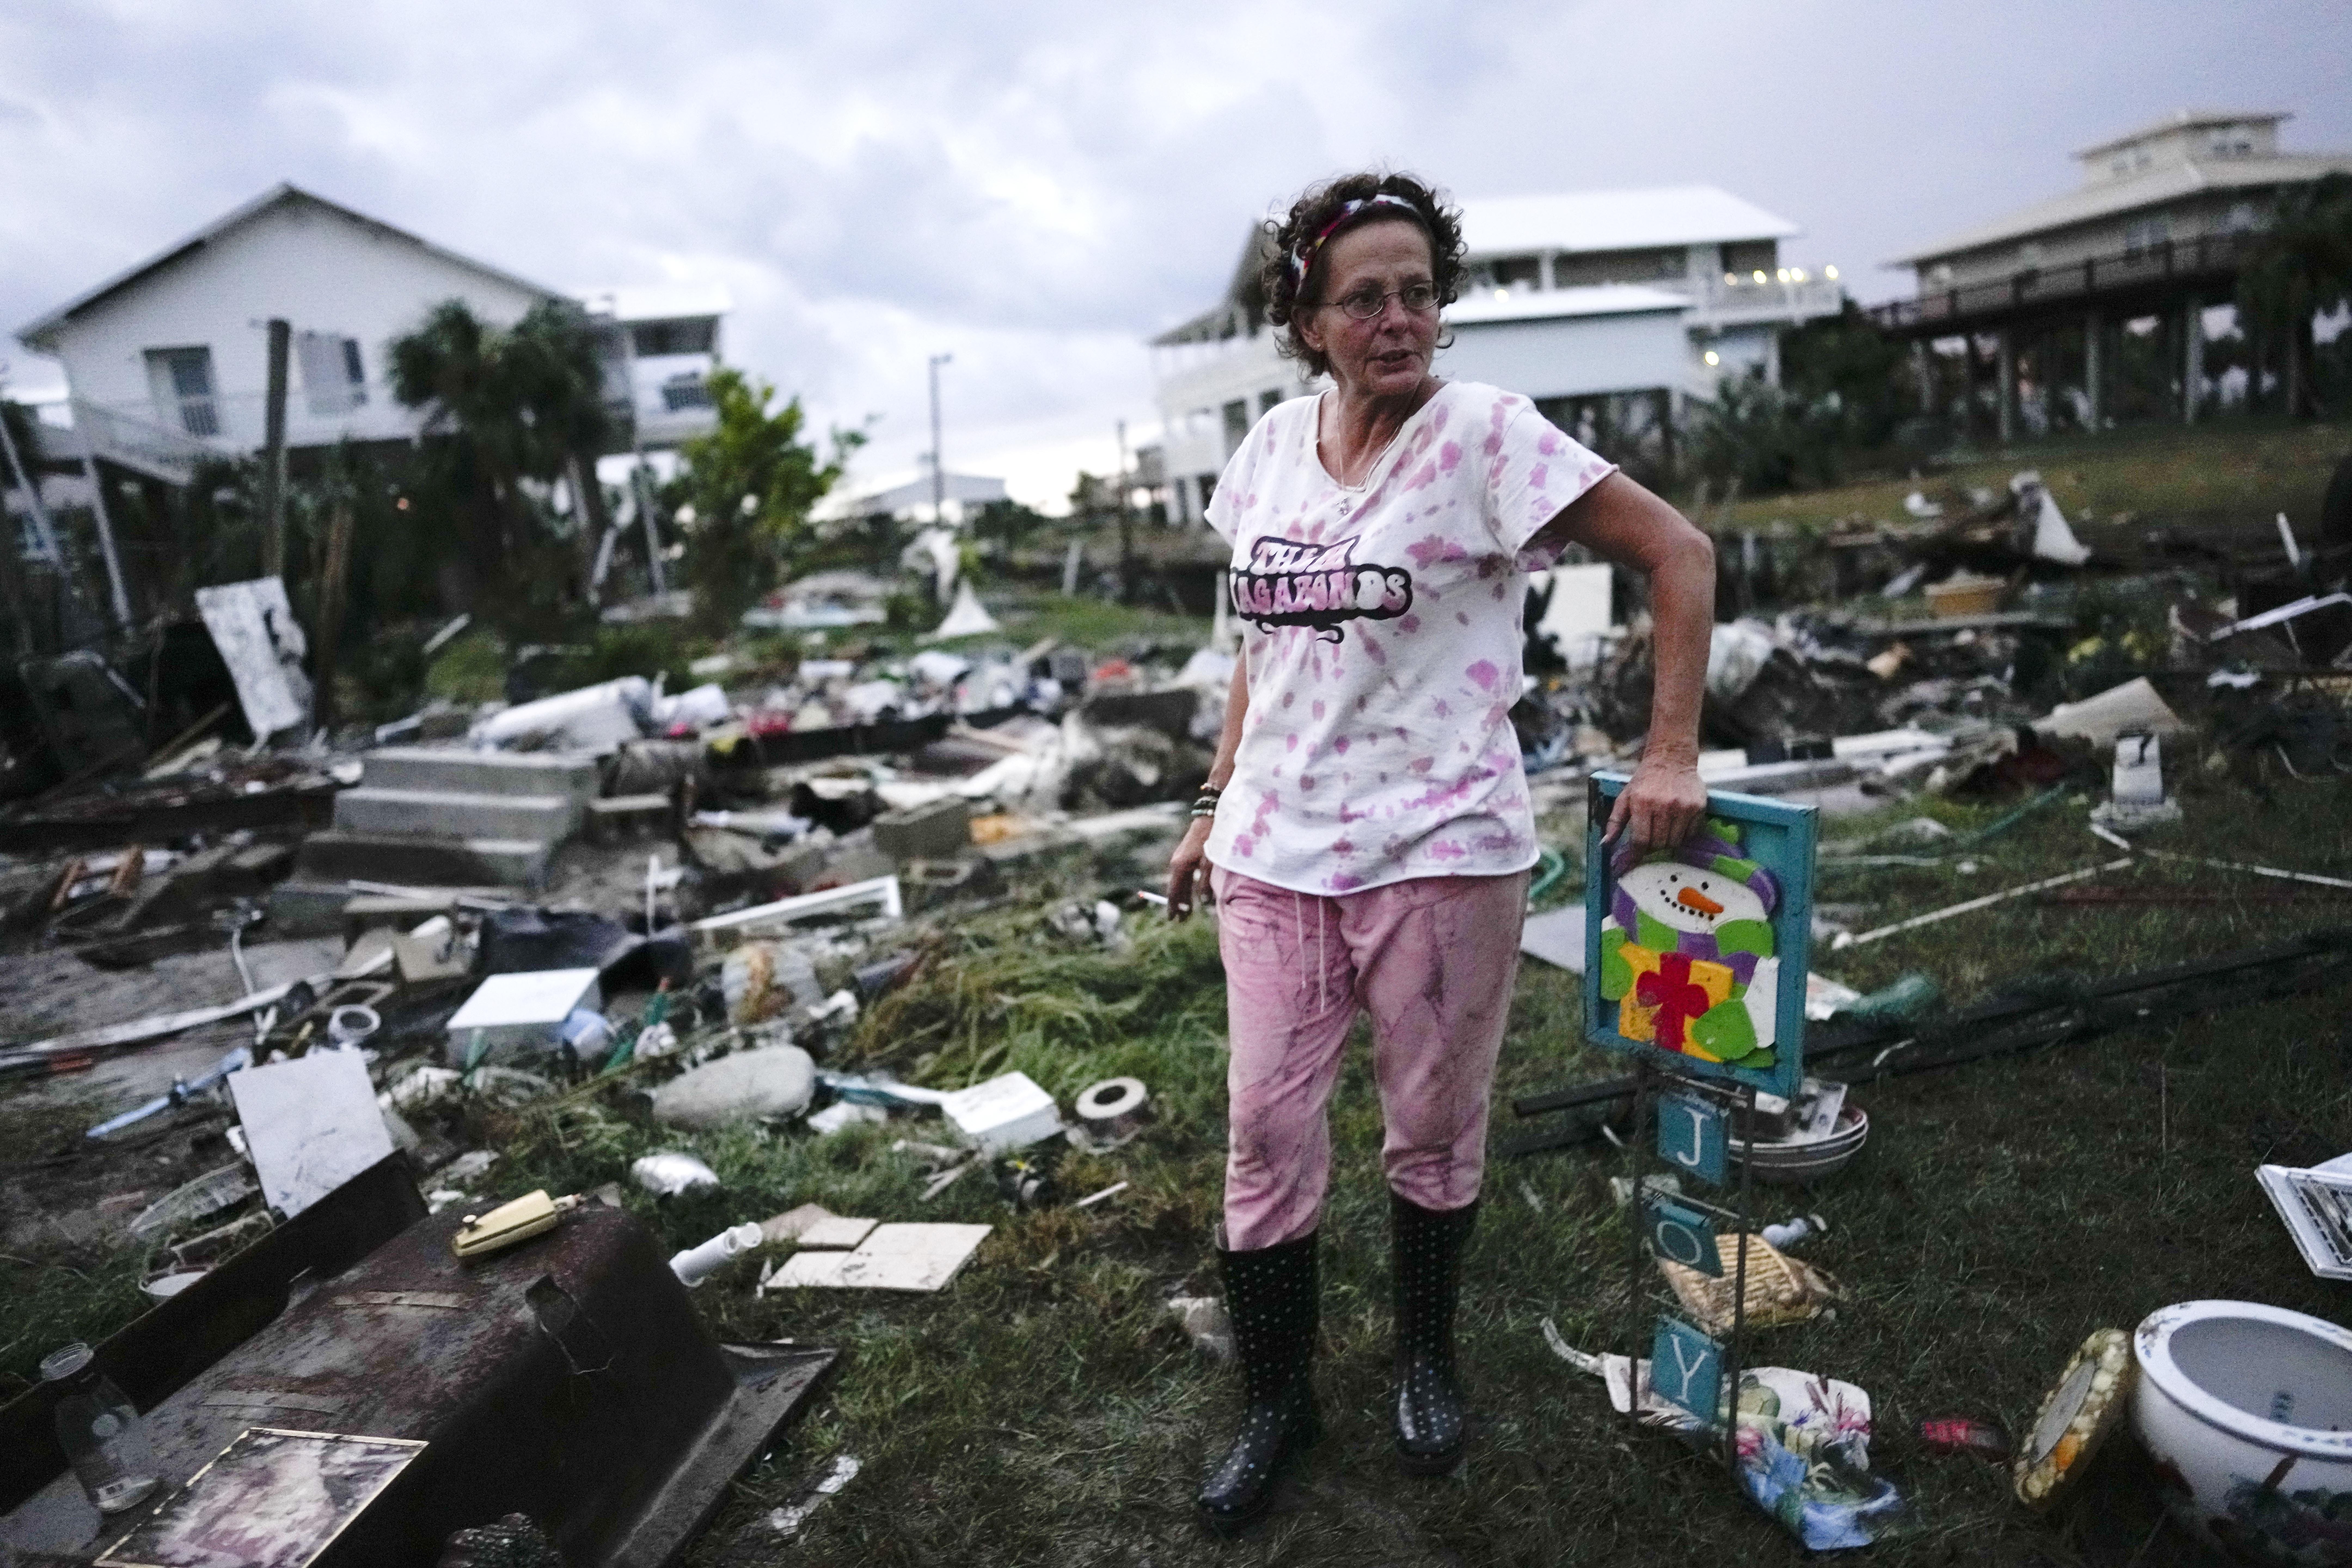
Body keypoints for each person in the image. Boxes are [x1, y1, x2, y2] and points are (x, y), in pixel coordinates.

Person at [1163, 170, 1715, 1534]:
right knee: (1264, 1130)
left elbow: (1679, 552)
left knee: (1431, 1129)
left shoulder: (1489, 439)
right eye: (1366, 297)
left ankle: (1424, 1360)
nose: (1400, 318)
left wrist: (1670, 752)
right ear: (1308, 318)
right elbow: (1262, 647)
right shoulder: (1269, 453)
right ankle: (1278, 1405)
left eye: (1419, 292)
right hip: (1277, 855)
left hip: (1445, 851)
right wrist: (1208, 803)